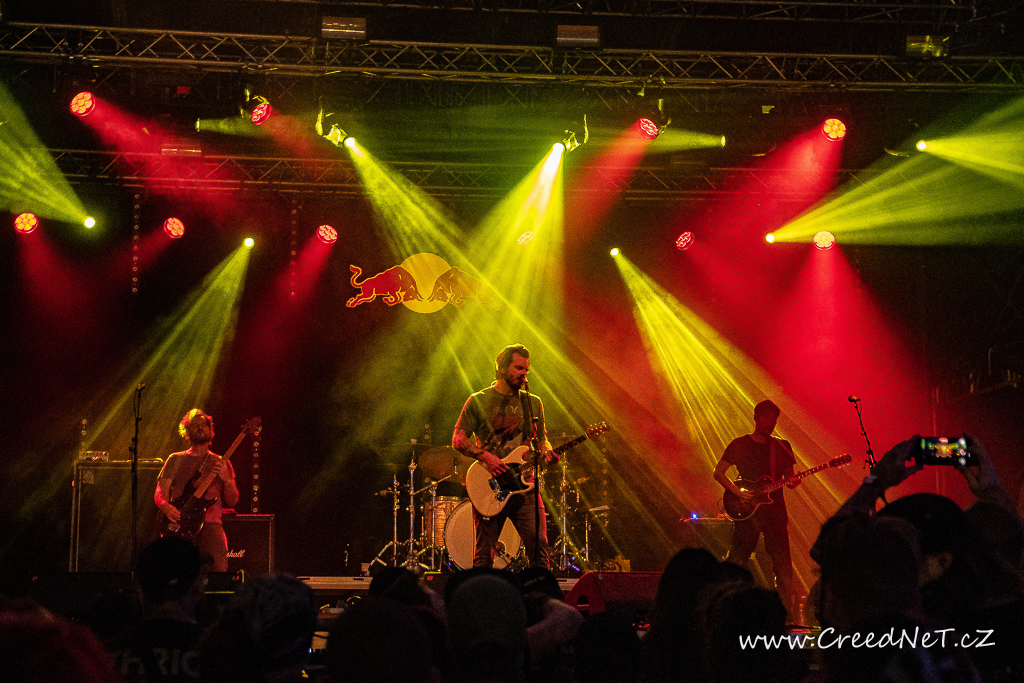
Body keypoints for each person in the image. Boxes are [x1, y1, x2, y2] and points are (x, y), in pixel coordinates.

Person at [453, 343, 557, 569]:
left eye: (526, 369)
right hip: (491, 486)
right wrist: (486, 457)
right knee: (484, 555)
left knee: (539, 549)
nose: (524, 373)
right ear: (501, 368)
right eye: (518, 368)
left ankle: (540, 589)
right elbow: (458, 440)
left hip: (525, 487)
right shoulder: (478, 400)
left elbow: (541, 439)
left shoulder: (533, 402)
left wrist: (547, 451)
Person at [713, 399, 800, 615]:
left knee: (783, 565)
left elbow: (789, 479)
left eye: (774, 420)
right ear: (756, 417)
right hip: (747, 510)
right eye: (766, 418)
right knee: (737, 561)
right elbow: (719, 472)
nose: (770, 423)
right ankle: (726, 609)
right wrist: (737, 491)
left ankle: (786, 615)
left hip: (776, 512)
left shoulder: (782, 446)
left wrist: (794, 481)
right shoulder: (740, 444)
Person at [107, 536, 208, 682]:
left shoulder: (106, 655)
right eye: (204, 580)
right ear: (196, 587)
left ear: (140, 586)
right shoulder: (218, 656)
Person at [155, 409, 239, 572]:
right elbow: (160, 490)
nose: (200, 427)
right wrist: (165, 506)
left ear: (210, 430)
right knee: (177, 573)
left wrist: (227, 479)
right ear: (187, 431)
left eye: (203, 424)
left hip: (211, 524)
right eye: (195, 425)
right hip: (179, 522)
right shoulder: (175, 459)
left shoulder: (222, 462)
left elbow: (233, 500)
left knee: (217, 573)